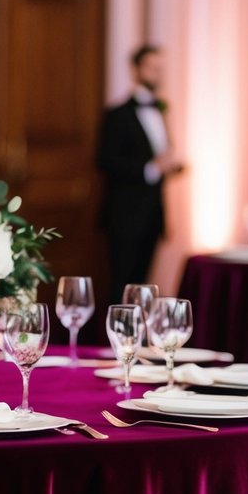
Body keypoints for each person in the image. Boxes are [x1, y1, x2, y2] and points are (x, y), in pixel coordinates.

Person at [95, 43, 185, 305]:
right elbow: (105, 161)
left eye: (161, 68)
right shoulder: (117, 115)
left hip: (153, 212)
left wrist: (170, 167)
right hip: (124, 215)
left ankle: (139, 341)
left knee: (144, 283)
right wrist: (149, 168)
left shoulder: (161, 109)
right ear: (136, 69)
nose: (157, 73)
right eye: (152, 67)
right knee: (121, 283)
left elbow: (158, 156)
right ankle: (115, 341)